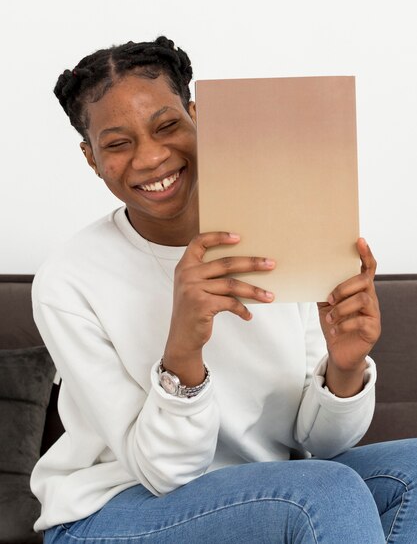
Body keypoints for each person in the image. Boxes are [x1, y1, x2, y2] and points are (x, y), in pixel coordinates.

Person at [31, 36, 416, 543]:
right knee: (324, 491)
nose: (150, 158)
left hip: (272, 492)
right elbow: (163, 474)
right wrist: (183, 351)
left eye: (167, 126)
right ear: (91, 156)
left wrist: (343, 369)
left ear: (197, 117)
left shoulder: (277, 234)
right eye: (118, 143)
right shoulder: (68, 281)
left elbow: (317, 447)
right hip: (113, 513)